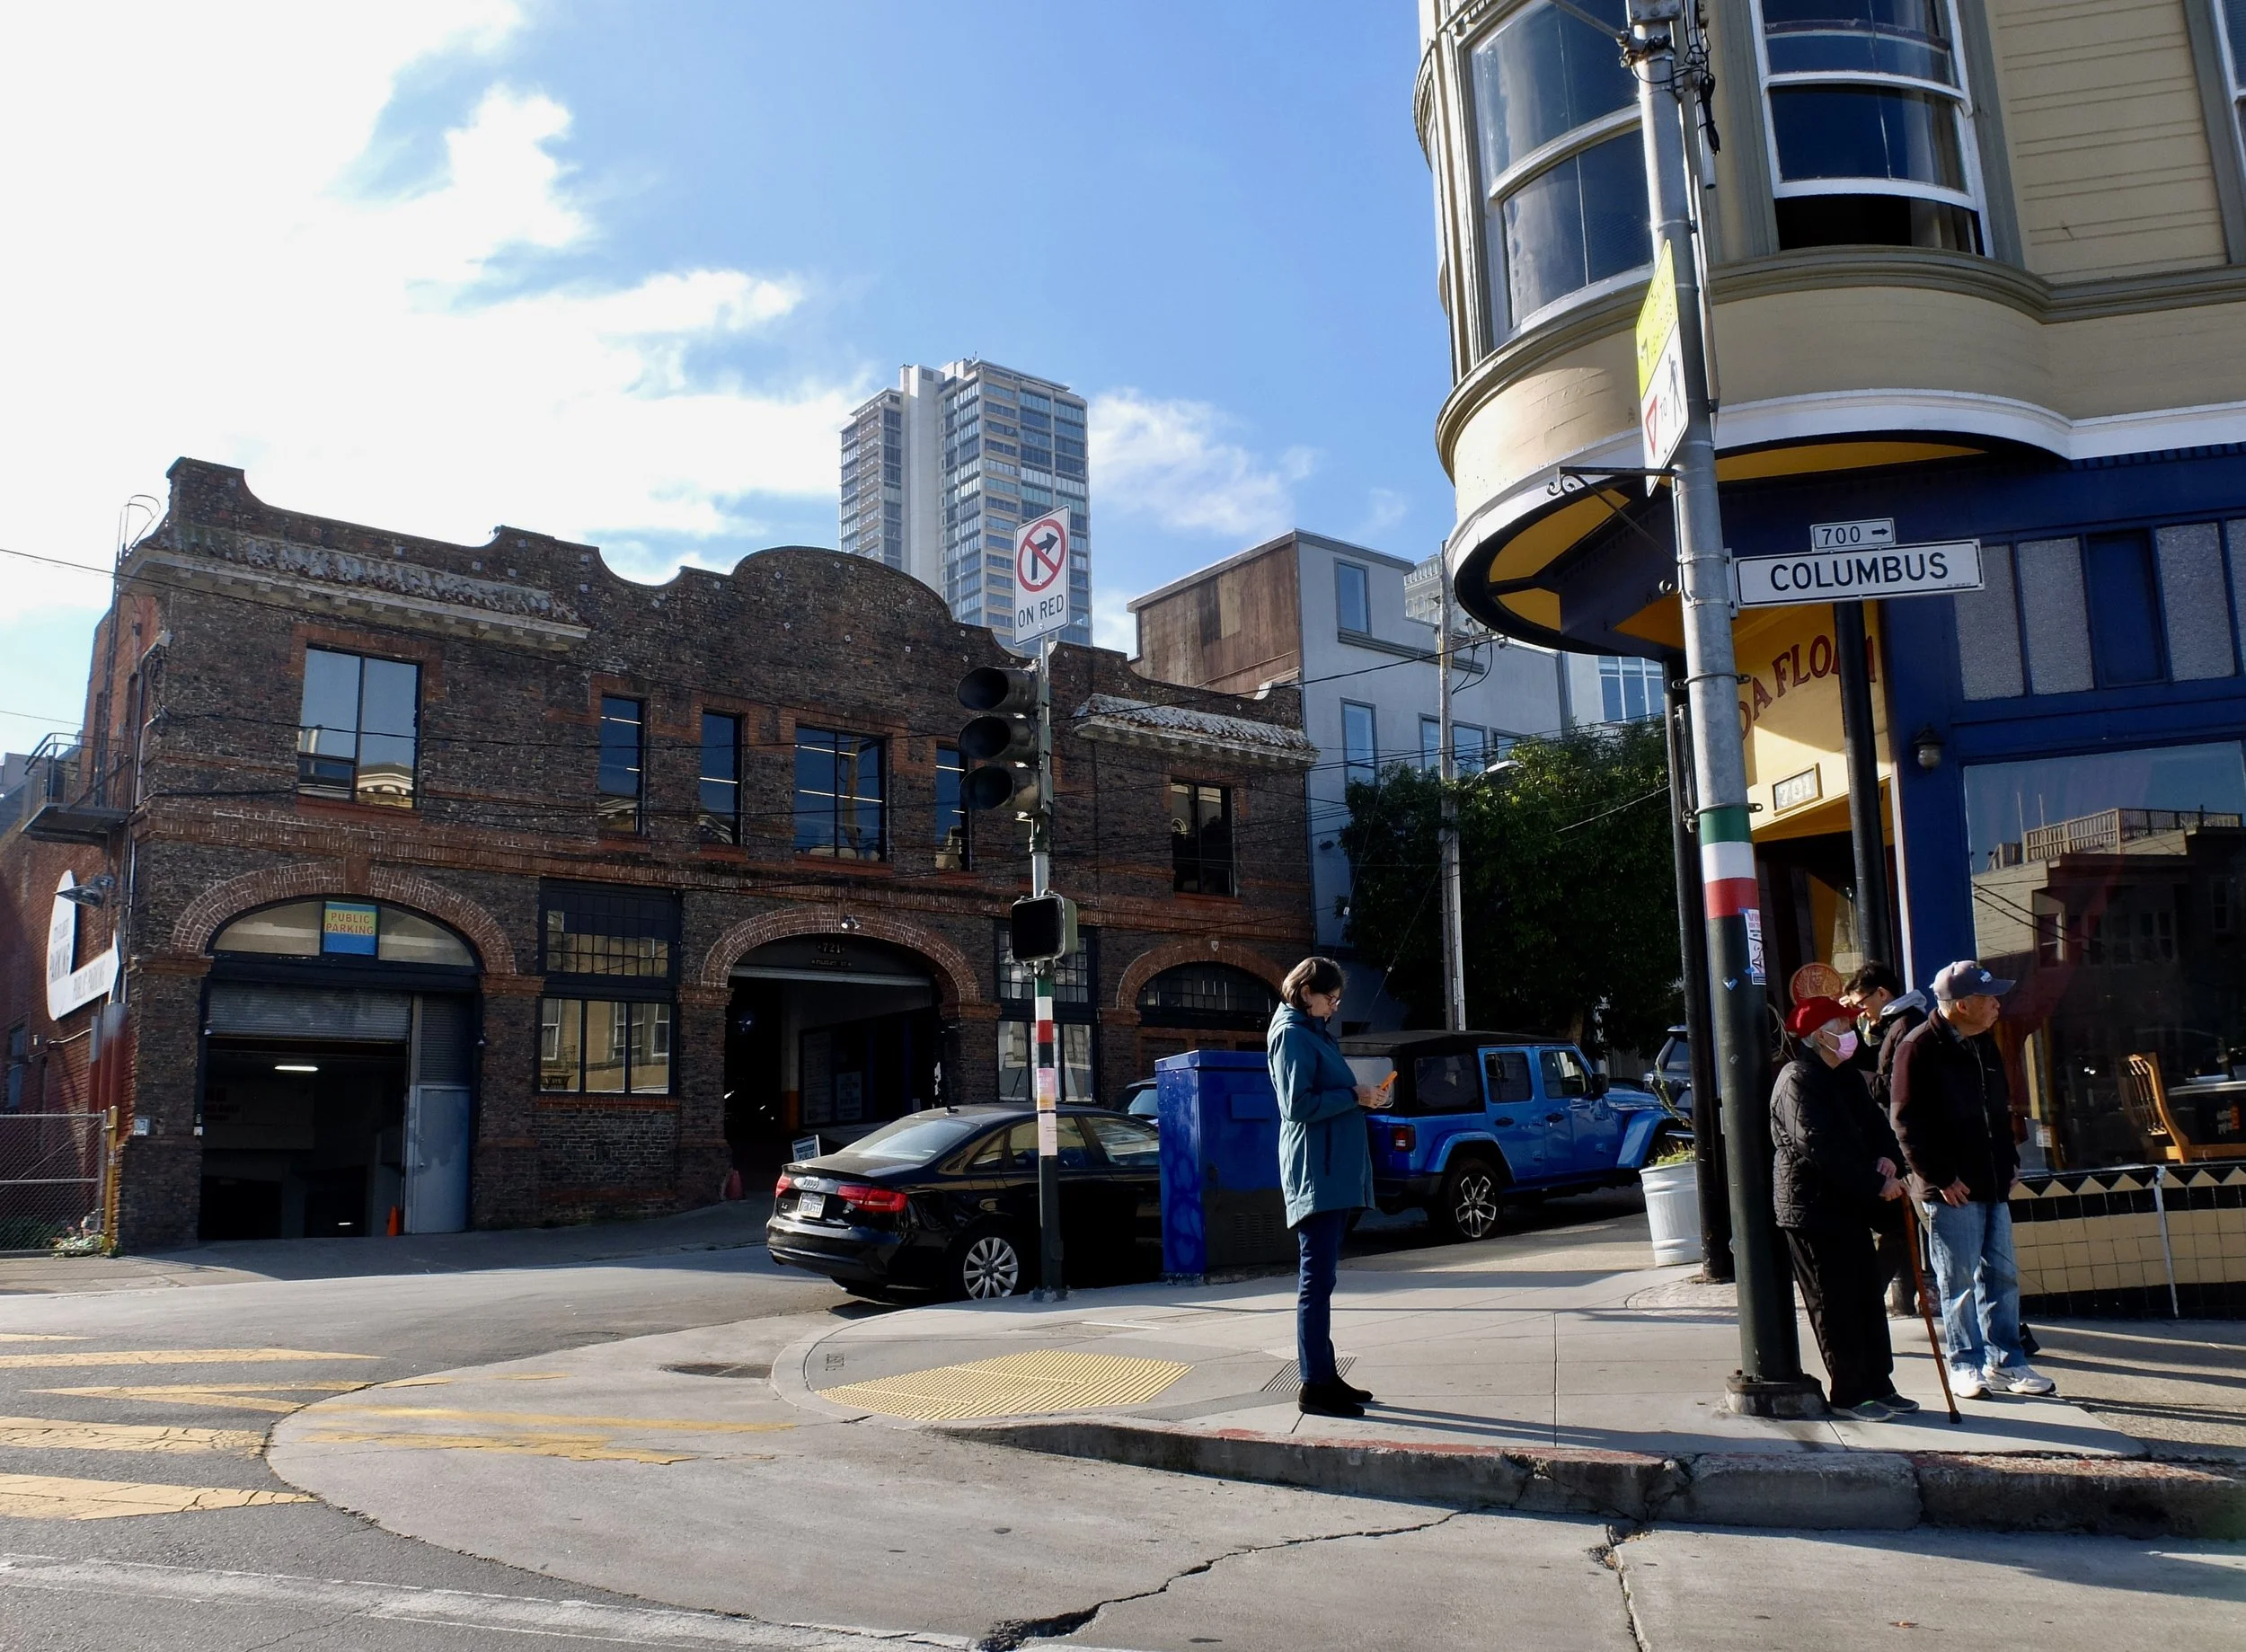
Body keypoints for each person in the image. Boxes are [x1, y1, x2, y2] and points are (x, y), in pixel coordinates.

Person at [1890, 960, 2056, 1400]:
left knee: (2001, 1275)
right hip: (1951, 1189)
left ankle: (2008, 1361)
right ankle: (1966, 1363)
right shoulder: (1918, 1046)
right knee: (1958, 1279)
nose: (1997, 1005)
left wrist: (2008, 1159)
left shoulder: (1983, 1043)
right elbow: (1905, 1122)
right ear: (1961, 1005)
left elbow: (1997, 1110)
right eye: (1988, 998)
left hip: (1991, 1179)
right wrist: (1941, 1177)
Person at [1770, 996, 1917, 1421]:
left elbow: (1876, 1127)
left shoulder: (1846, 1076)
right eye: (1842, 1025)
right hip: (1812, 1210)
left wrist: (1889, 1160)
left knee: (1865, 1298)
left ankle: (1878, 1383)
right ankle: (1851, 1392)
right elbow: (1819, 1147)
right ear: (1820, 1035)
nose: (1850, 1033)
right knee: (1833, 1303)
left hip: (1851, 1205)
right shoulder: (1797, 1079)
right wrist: (1876, 1183)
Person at [1268, 956, 1382, 1420]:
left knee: (1322, 1281)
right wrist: (1354, 1096)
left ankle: (1324, 1374)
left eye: (1337, 1001)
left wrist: (1365, 1097)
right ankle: (1314, 1385)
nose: (1334, 1007)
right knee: (1315, 1283)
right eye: (1330, 999)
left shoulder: (1310, 1031)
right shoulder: (1292, 1034)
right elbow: (1297, 1106)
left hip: (1329, 1170)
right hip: (1317, 1173)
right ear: (1306, 991)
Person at [1842, 961, 1925, 1318]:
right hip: (1899, 1142)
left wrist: (1849, 1059)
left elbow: (1887, 1085)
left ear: (1882, 994)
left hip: (1906, 1143)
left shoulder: (1904, 1025)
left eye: (1863, 1002)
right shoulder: (1896, 1023)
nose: (1862, 1011)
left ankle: (1866, 1303)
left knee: (1898, 1225)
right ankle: (1869, 1301)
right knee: (1896, 1227)